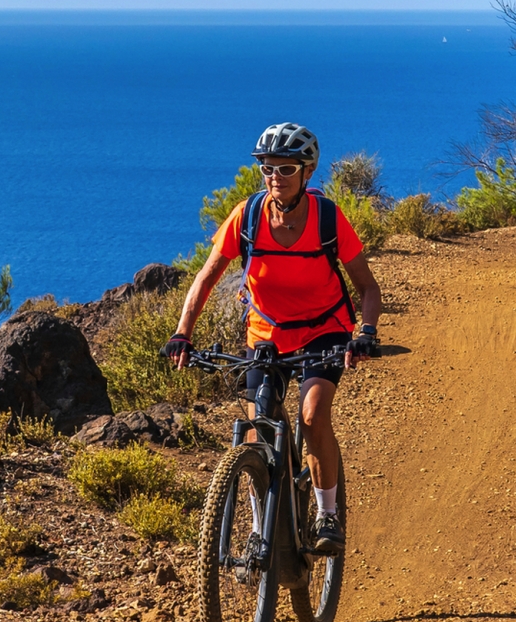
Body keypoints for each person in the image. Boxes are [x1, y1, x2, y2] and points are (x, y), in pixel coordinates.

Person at [162, 122, 382, 555]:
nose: (275, 177)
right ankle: (262, 525)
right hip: (266, 333)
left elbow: (368, 288)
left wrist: (366, 332)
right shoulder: (247, 216)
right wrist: (182, 333)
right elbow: (205, 277)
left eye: (286, 168)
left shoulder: (327, 218)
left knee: (312, 415)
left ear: (308, 171)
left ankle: (327, 513)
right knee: (256, 433)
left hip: (324, 332)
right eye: (267, 168)